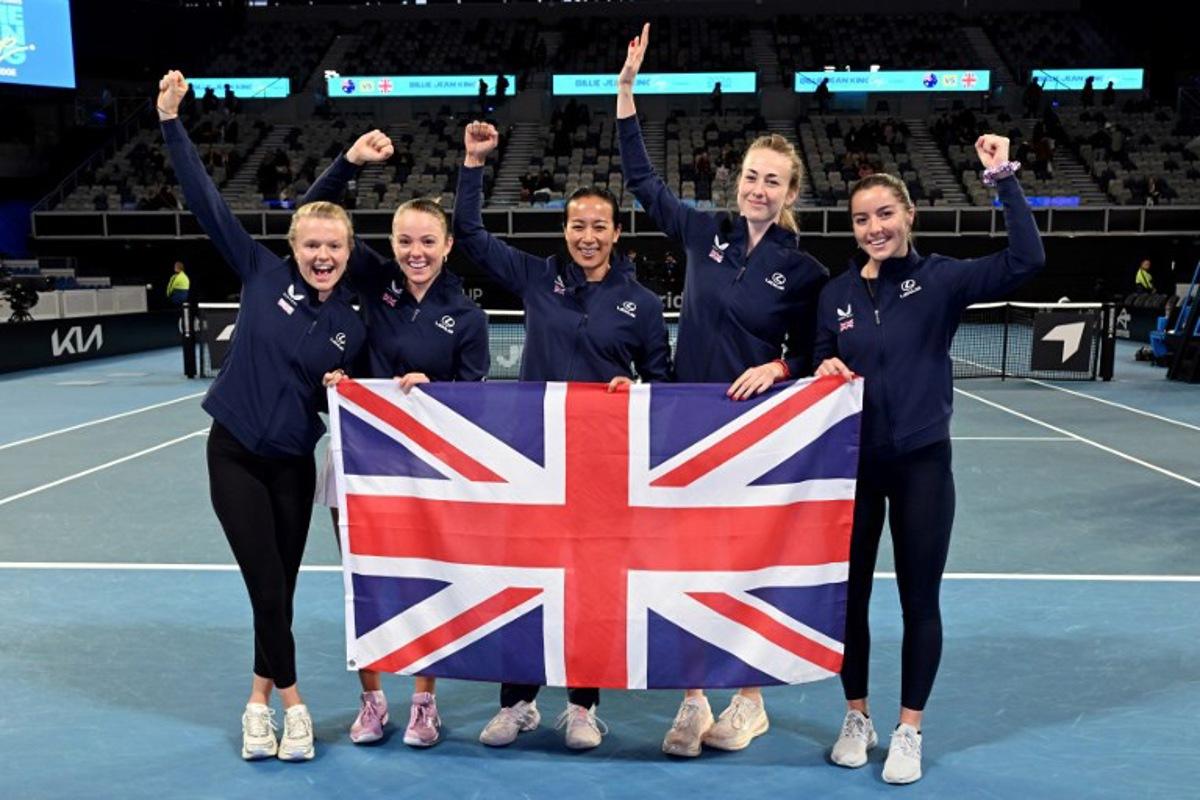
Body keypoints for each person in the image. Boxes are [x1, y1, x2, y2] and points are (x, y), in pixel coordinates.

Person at [616, 23, 829, 757]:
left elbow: (818, 354)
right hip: (684, 424)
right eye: (750, 175)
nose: (757, 188)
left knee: (742, 569)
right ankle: (692, 699)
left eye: (772, 180)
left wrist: (781, 369)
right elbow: (642, 181)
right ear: (736, 180)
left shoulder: (804, 273)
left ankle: (748, 700)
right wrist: (626, 93)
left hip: (753, 433)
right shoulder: (703, 231)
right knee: (680, 567)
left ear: (790, 192)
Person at [814, 135, 1044, 784]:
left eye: (885, 214)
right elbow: (816, 358)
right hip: (854, 468)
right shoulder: (835, 295)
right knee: (850, 602)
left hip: (922, 466)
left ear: (909, 215)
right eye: (862, 218)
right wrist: (822, 364)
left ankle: (909, 729)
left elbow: (1027, 258)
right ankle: (856, 717)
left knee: (920, 601)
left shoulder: (942, 278)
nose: (874, 228)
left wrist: (1002, 178)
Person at [157, 70, 366, 762]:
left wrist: (344, 387)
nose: (323, 256)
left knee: (278, 593)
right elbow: (206, 199)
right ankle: (296, 708)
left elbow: (358, 398)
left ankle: (255, 706)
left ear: (348, 253)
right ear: (295, 247)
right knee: (267, 586)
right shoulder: (260, 272)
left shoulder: (353, 322)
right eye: (312, 245)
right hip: (236, 455)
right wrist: (170, 122)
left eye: (334, 247)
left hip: (292, 466)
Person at [455, 119, 672, 751]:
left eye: (599, 226)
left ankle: (582, 705)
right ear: (565, 230)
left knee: (589, 585)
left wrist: (637, 390)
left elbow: (662, 381)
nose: (587, 236)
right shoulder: (536, 277)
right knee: (526, 582)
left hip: (602, 468)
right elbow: (469, 233)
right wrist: (474, 165)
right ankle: (518, 702)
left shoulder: (642, 304)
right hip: (533, 461)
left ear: (617, 233)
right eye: (578, 225)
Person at [303, 130, 490, 749]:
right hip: (359, 456)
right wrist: (348, 162)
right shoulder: (371, 282)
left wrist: (435, 393)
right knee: (365, 580)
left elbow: (474, 404)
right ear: (390, 244)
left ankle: (423, 703)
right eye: (405, 241)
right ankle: (373, 700)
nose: (416, 252)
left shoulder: (467, 317)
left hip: (427, 467)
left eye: (428, 241)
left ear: (448, 246)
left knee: (425, 581)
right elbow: (315, 219)